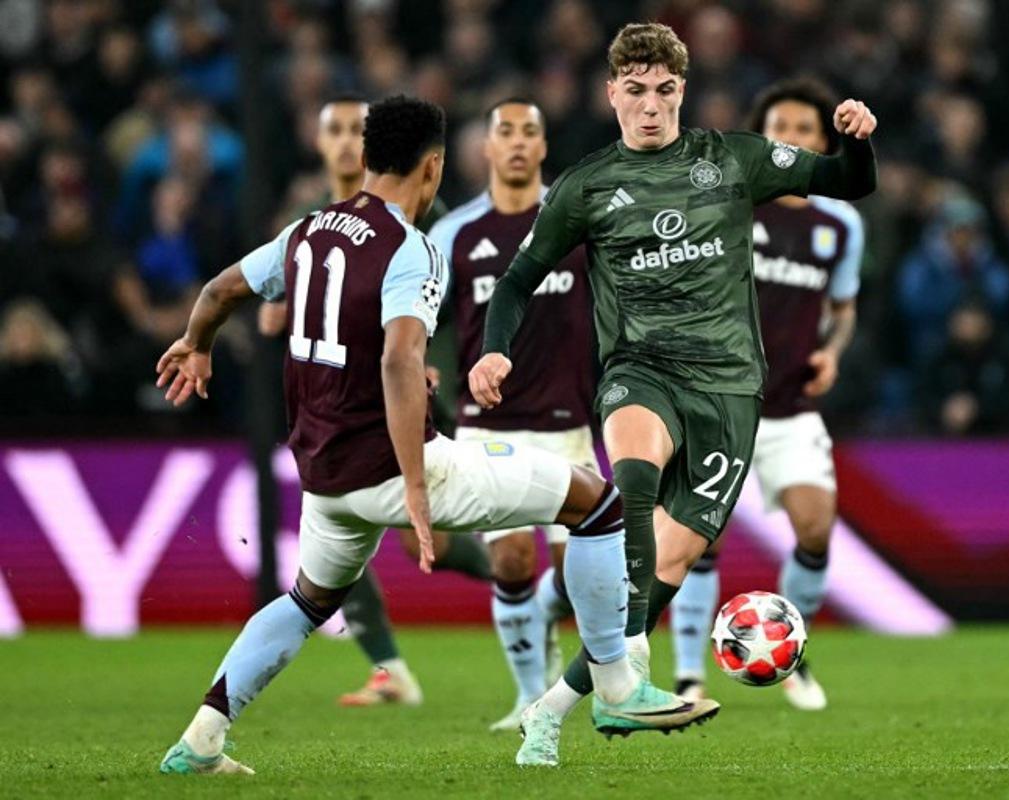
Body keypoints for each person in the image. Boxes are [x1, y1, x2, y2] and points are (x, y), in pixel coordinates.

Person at [155, 95, 712, 776]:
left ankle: (201, 741)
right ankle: (618, 689)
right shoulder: (409, 248)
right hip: (392, 468)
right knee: (598, 505)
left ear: (364, 158)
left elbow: (218, 291)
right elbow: (399, 358)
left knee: (307, 600)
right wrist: (417, 489)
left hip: (324, 478)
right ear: (435, 167)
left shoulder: (305, 232)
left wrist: (194, 344)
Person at [469, 23, 877, 766]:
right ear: (611, 94)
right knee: (632, 478)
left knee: (672, 562)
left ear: (681, 91)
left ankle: (555, 710)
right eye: (635, 91)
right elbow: (518, 281)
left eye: (663, 90)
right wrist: (494, 347)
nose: (650, 107)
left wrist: (857, 138)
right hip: (639, 369)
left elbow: (850, 181)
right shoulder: (587, 185)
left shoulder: (733, 160)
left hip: (728, 388)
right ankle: (629, 682)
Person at [260, 94, 492, 710]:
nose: (341, 141)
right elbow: (266, 309)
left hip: (406, 393)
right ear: (320, 143)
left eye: (349, 129)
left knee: (426, 540)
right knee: (344, 534)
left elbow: (447, 300)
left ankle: (517, 580)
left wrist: (432, 363)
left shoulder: (423, 213)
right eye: (330, 129)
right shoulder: (306, 219)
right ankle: (390, 668)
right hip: (339, 406)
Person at [666, 77, 866, 710]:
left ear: (822, 142)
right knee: (702, 537)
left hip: (790, 406)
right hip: (719, 402)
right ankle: (688, 673)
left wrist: (832, 355)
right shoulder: (731, 202)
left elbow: (844, 307)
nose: (793, 138)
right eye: (780, 127)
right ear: (764, 137)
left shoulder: (840, 223)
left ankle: (794, 659)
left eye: (806, 130)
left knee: (815, 526)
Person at [428, 98, 593, 731]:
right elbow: (421, 313)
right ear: (487, 149)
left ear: (543, 147)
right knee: (511, 561)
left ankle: (546, 626)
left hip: (566, 422)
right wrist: (420, 363)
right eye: (506, 133)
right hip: (488, 426)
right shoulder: (456, 233)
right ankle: (531, 698)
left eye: (530, 132)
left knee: (582, 577)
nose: (518, 143)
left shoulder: (575, 220)